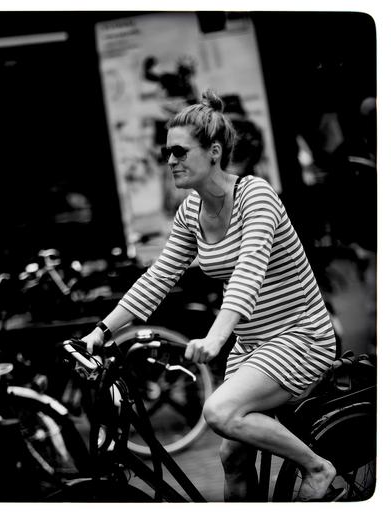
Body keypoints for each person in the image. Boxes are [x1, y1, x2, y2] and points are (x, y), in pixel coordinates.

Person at [82, 90, 338, 502]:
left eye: (180, 152)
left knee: (219, 412)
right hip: (253, 346)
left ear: (214, 152)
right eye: (167, 152)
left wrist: (217, 338)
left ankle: (317, 467)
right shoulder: (190, 212)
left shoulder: (255, 196)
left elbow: (249, 272)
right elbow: (158, 278)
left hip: (300, 337)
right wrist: (100, 332)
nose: (170, 161)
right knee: (232, 459)